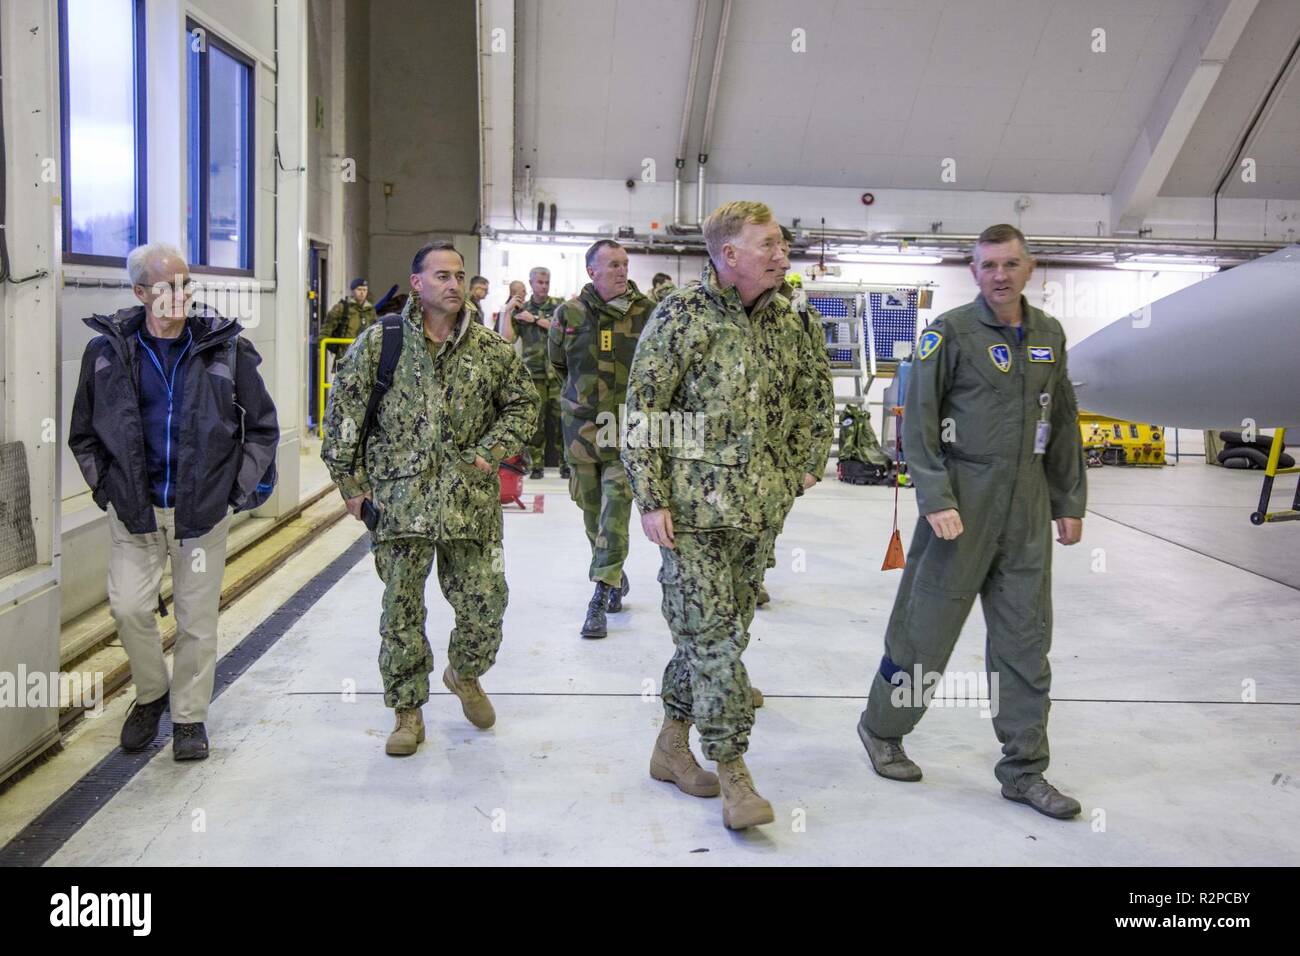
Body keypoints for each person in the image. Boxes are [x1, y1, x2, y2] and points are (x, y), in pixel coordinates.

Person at [856, 223, 1087, 819]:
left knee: (1025, 641)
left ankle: (1024, 770)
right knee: (925, 631)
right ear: (974, 272)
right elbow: (919, 424)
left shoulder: (1049, 335)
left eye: (1011, 264)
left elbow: (1062, 423)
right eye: (989, 266)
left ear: (1029, 267)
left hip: (1028, 507)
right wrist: (935, 498)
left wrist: (1068, 502)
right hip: (961, 500)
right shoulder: (950, 333)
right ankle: (882, 729)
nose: (1000, 276)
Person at [624, 201, 817, 830]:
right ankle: (733, 771)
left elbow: (813, 398)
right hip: (690, 517)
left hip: (758, 515)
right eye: (767, 243)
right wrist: (651, 498)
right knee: (712, 642)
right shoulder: (681, 315)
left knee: (718, 637)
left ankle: (670, 746)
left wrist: (800, 471)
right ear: (728, 254)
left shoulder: (790, 318)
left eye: (781, 241)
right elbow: (643, 411)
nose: (780, 252)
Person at [320, 242, 537, 756]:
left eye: (460, 276)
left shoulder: (489, 350)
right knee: (401, 614)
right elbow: (342, 416)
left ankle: (464, 673)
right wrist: (351, 490)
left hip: (470, 505)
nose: (454, 285)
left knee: (486, 605)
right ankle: (407, 711)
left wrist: (490, 452)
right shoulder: (382, 343)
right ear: (416, 283)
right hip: (400, 504)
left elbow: (525, 405)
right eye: (442, 275)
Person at [69, 242, 279, 761]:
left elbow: (263, 428)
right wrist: (107, 488)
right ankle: (151, 693)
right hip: (135, 513)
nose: (180, 295)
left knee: (196, 621)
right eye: (167, 286)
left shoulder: (225, 349)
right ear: (140, 292)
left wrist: (232, 492)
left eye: (186, 284)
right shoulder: (107, 353)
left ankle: (188, 718)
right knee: (129, 608)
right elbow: (83, 434)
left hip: (201, 513)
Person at [548, 240, 654, 639]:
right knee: (590, 509)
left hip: (626, 430)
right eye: (612, 265)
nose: (621, 271)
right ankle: (613, 571)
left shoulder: (646, 313)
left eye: (625, 264)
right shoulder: (569, 313)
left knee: (616, 507)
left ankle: (600, 594)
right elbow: (557, 365)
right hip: (580, 431)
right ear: (592, 270)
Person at [754, 244, 835, 609]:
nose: (779, 261)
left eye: (784, 253)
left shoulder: (801, 314)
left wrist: (815, 457)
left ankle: (755, 571)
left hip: (783, 435)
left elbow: (819, 384)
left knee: (770, 511)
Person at [501, 266, 565, 478]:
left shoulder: (559, 306)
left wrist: (535, 320)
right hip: (534, 374)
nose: (544, 286)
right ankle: (537, 465)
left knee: (561, 421)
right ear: (531, 283)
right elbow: (507, 339)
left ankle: (565, 464)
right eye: (539, 282)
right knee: (536, 422)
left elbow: (563, 331)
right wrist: (508, 311)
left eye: (546, 282)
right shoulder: (522, 308)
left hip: (557, 373)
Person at [324, 277, 377, 345]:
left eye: (365, 290)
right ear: (352, 291)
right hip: (345, 352)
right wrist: (320, 351)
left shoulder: (370, 310)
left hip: (364, 351)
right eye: (359, 289)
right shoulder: (342, 308)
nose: (362, 292)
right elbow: (326, 330)